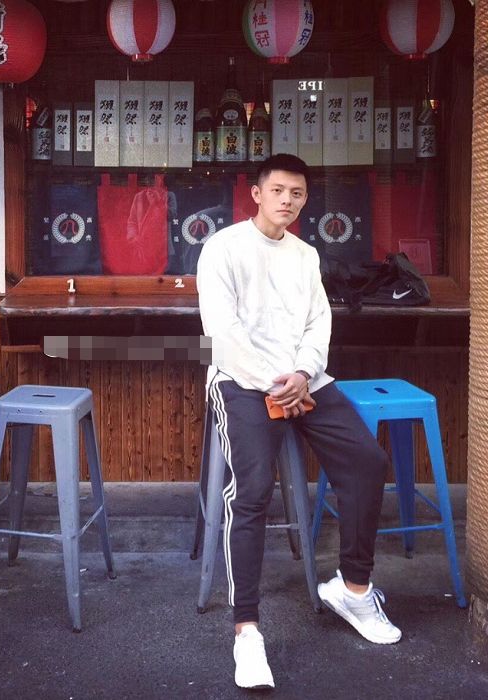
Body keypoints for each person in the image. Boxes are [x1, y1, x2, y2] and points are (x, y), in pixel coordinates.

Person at [196, 154, 401, 691]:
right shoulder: (223, 247)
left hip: (305, 379)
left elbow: (318, 322)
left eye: (298, 193)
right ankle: (246, 630)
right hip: (242, 381)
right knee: (253, 490)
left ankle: (353, 590)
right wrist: (274, 382)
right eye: (278, 190)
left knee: (367, 462)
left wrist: (304, 373)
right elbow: (222, 332)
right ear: (256, 194)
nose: (287, 200)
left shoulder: (306, 254)